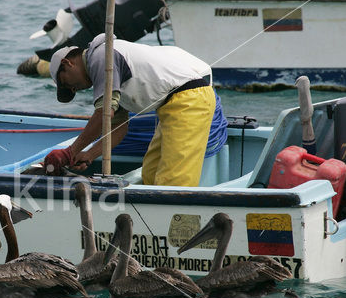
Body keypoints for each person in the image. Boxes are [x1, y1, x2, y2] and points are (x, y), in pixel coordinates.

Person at [44, 33, 219, 187]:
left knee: (174, 180)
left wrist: (69, 152)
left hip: (190, 100)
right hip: (172, 107)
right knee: (150, 172)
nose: (74, 89)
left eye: (67, 83)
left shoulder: (100, 57)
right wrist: (90, 154)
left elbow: (104, 114)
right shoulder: (104, 69)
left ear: (67, 63)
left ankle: (174, 222)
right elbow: (119, 127)